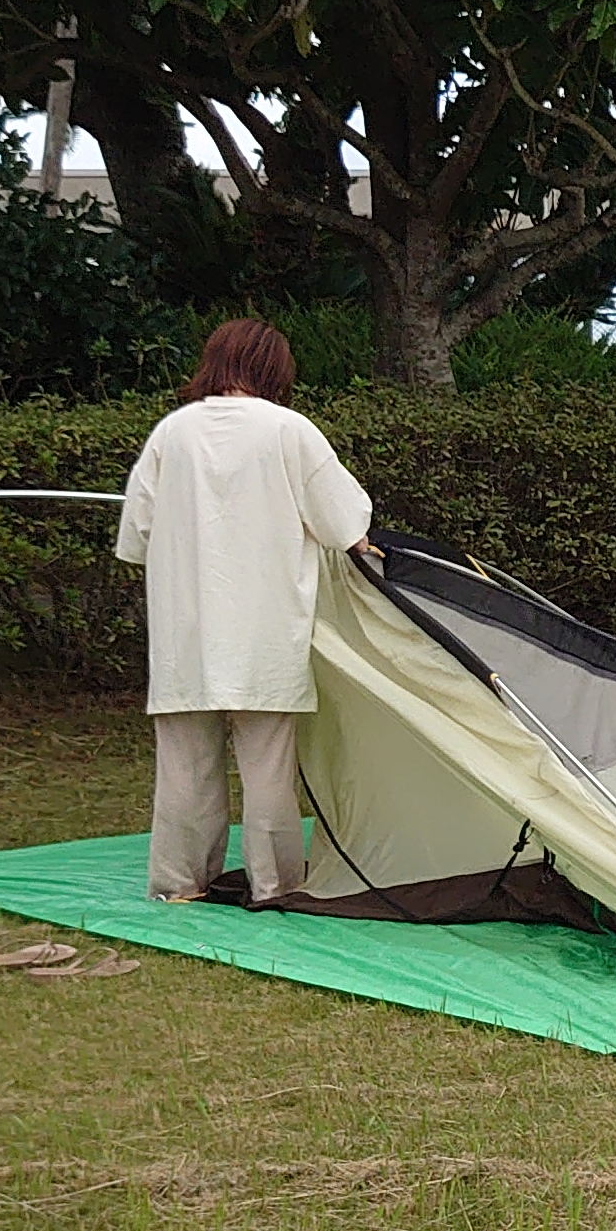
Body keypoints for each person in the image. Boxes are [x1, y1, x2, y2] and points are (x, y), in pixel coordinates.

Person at [114, 320, 373, 904]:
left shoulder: (171, 434)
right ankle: (275, 885)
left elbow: (136, 537)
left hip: (187, 634)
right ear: (275, 369)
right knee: (269, 774)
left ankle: (178, 885)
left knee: (184, 770)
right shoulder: (290, 431)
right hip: (267, 633)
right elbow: (344, 523)